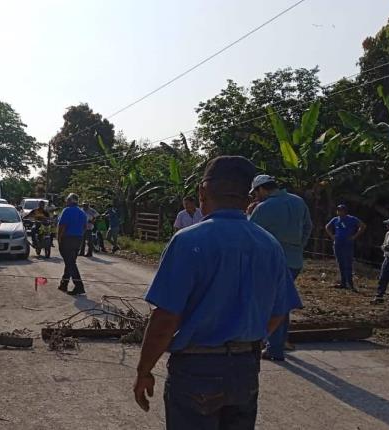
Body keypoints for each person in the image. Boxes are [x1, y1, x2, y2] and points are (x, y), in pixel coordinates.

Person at [133, 156, 301, 430]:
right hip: (245, 369)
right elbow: (279, 311)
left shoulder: (188, 241)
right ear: (248, 196)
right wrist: (248, 341)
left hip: (196, 370)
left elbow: (165, 319)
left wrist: (144, 371)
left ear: (202, 193)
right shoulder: (268, 244)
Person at [249, 174, 312, 361]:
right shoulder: (298, 201)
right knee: (282, 302)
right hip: (294, 261)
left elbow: (249, 234)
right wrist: (298, 246)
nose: (255, 197)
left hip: (271, 263)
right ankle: (280, 341)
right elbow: (309, 226)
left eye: (256, 193)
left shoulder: (264, 208)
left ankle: (274, 348)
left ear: (262, 189)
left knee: (272, 305)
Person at [325, 204, 366, 290]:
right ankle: (343, 283)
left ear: (345, 211)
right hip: (338, 243)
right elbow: (327, 227)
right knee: (340, 263)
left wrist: (354, 236)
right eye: (338, 210)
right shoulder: (335, 219)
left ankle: (350, 284)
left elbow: (362, 226)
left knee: (348, 263)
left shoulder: (352, 219)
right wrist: (332, 236)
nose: (339, 212)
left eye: (341, 210)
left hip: (347, 244)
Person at [57, 193, 88, 295]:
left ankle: (79, 286)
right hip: (78, 239)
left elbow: (62, 226)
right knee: (70, 262)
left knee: (70, 263)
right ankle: (64, 284)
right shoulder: (82, 212)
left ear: (70, 200)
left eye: (67, 200)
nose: (66, 201)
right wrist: (79, 236)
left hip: (68, 239)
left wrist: (59, 238)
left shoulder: (67, 211)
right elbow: (84, 227)